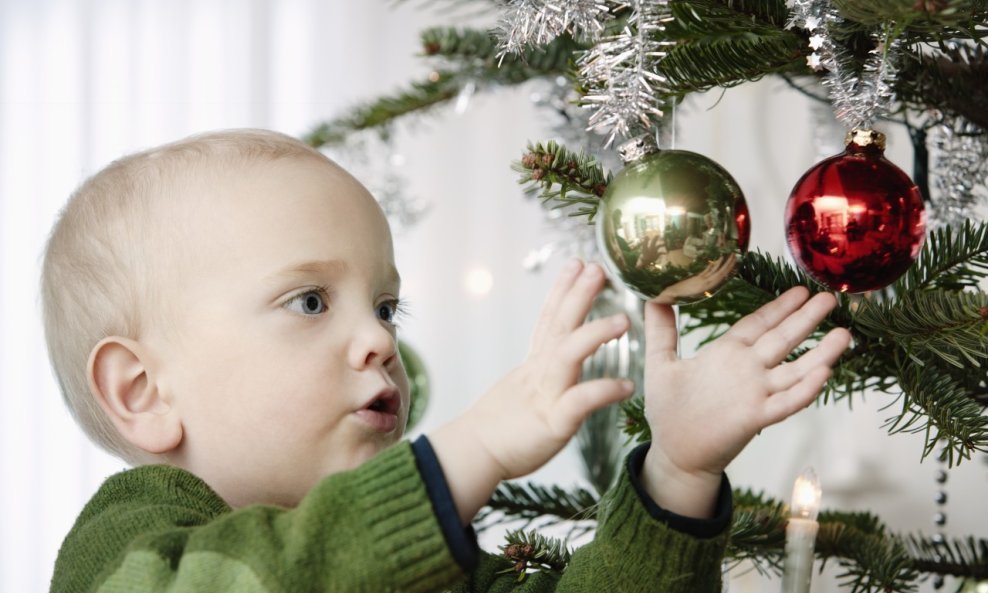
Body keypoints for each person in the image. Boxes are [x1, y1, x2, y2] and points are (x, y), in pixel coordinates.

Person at [42, 129, 851, 592]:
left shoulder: (438, 571)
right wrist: (474, 449)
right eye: (310, 301)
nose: (383, 341)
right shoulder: (126, 547)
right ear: (142, 391)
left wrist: (677, 473)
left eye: (386, 306)